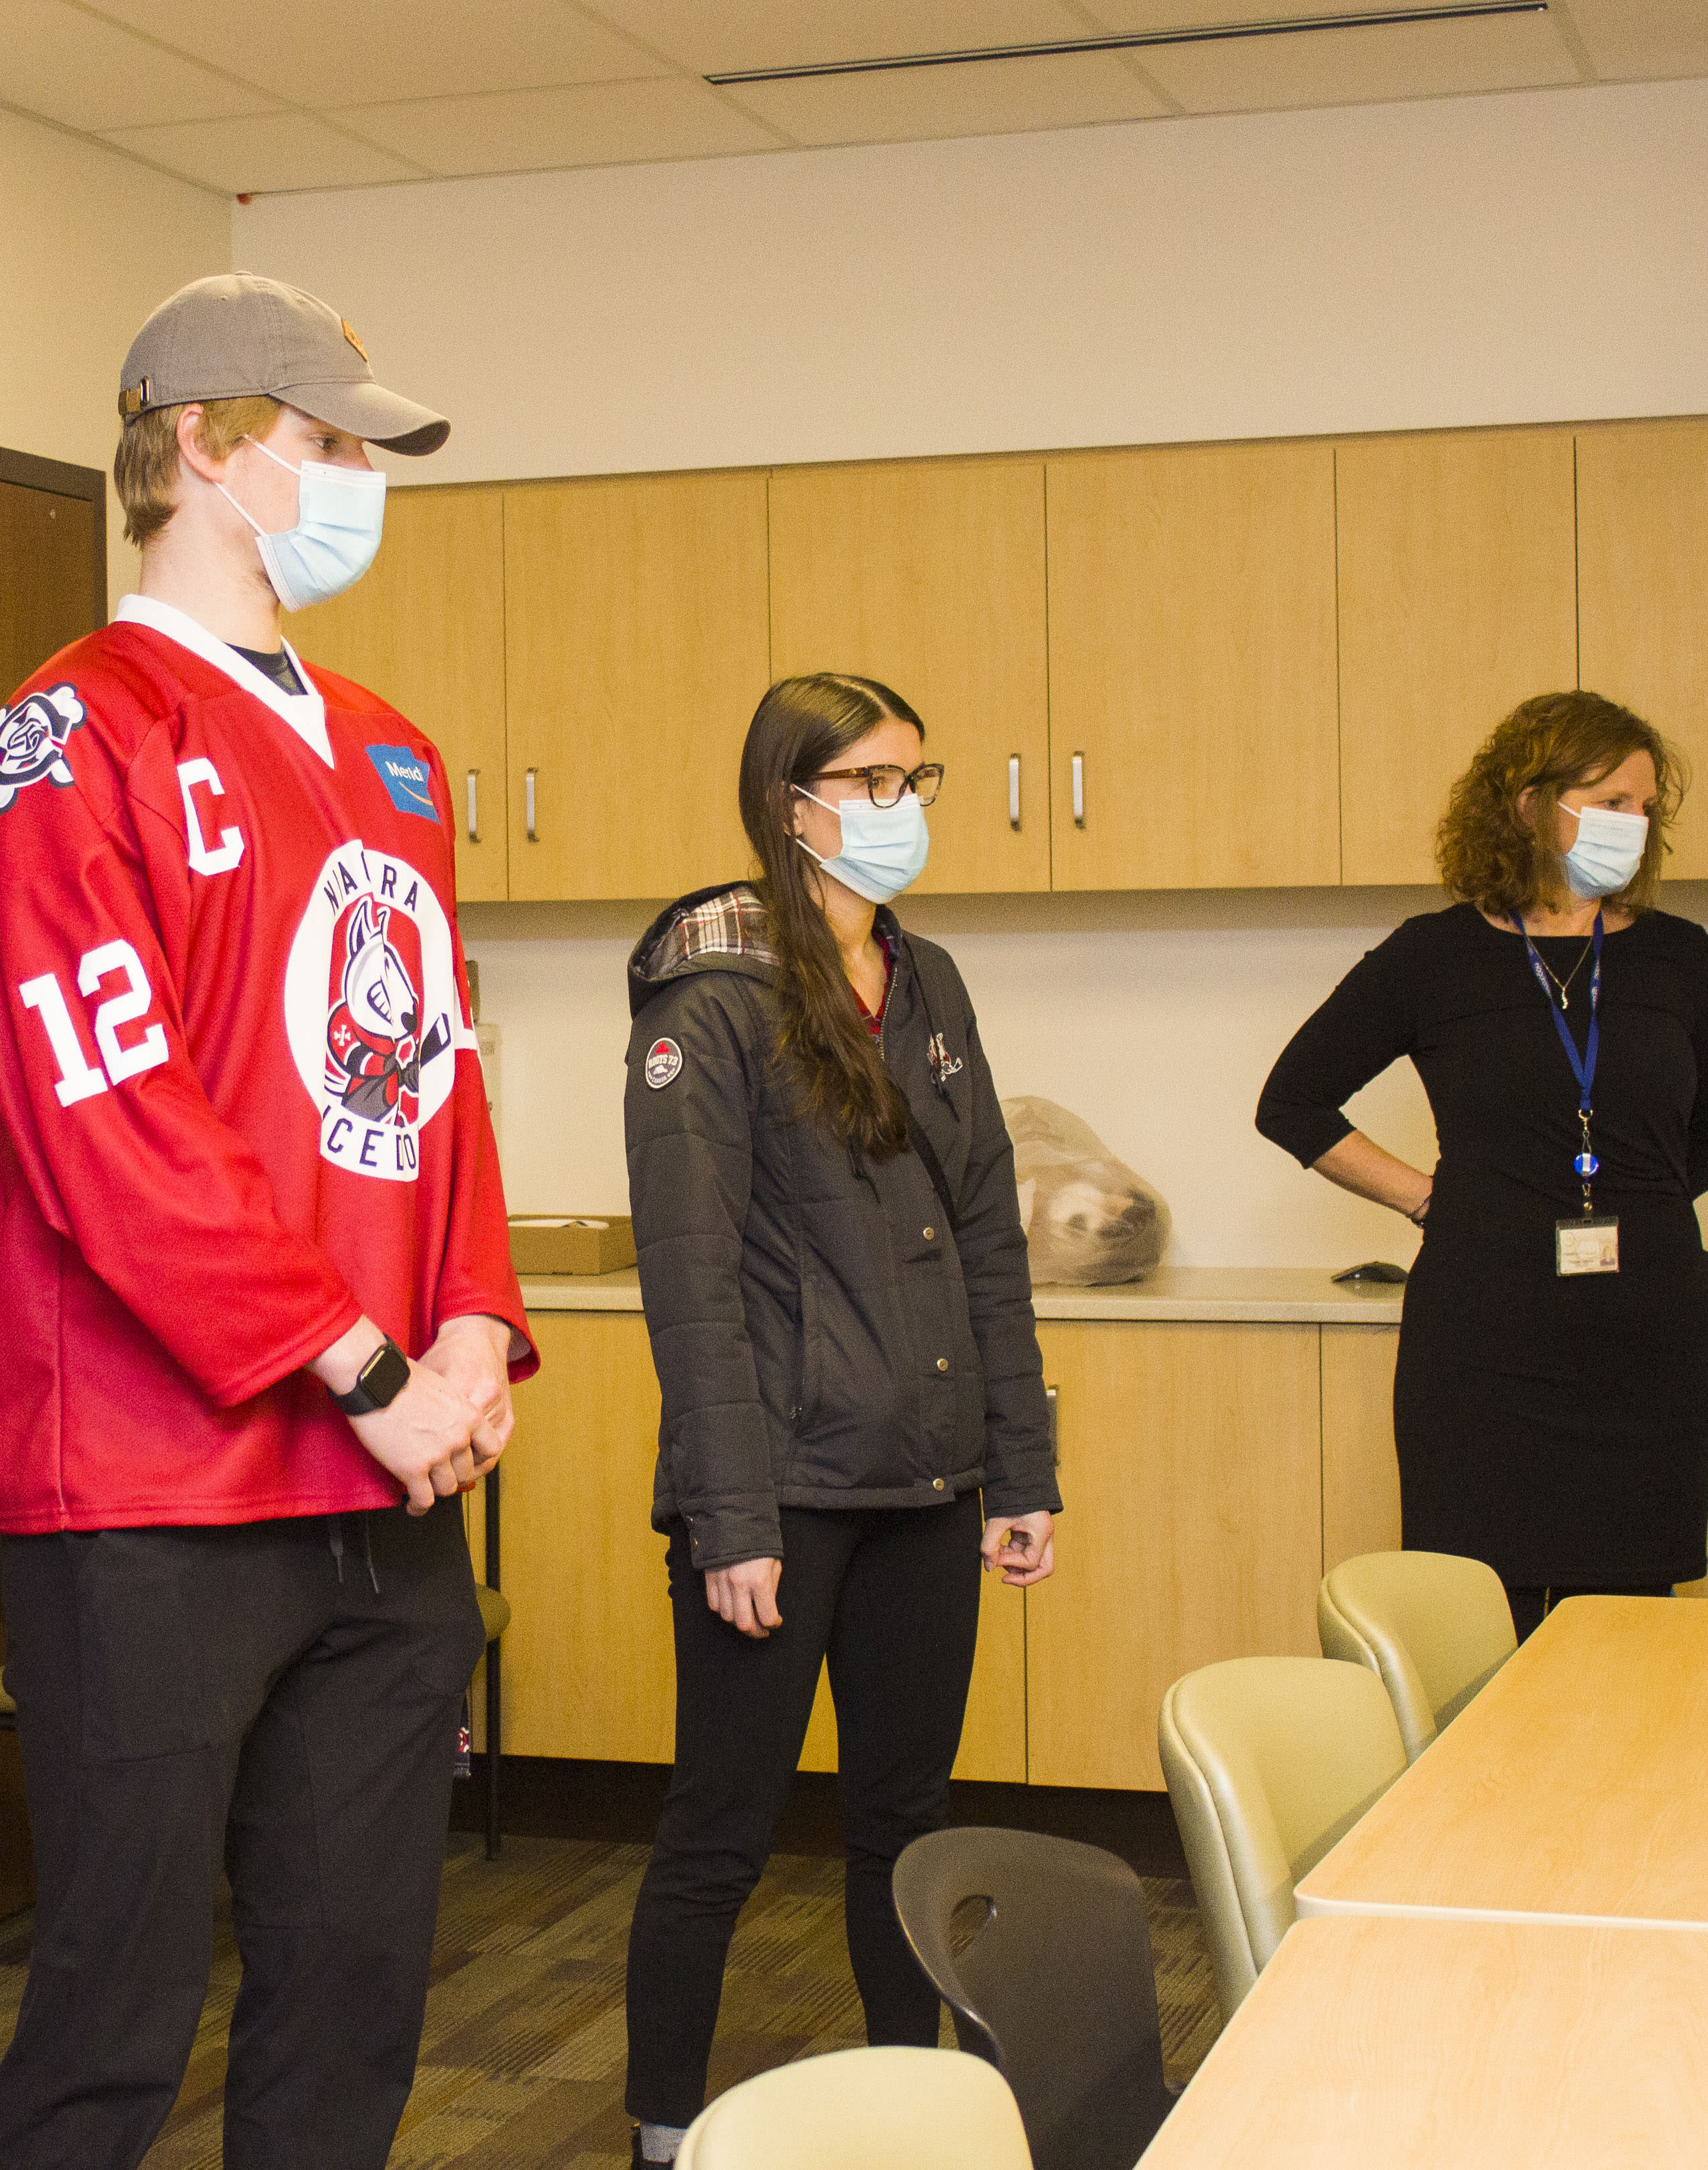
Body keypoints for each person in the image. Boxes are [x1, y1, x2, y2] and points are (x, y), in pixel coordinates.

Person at [0, 272, 532, 2170]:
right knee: (116, 2006)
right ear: (197, 445)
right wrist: (355, 1356)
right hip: (152, 1485)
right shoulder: (69, 735)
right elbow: (107, 1120)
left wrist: (461, 1324)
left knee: (356, 1979)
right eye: (329, 441)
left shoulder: (388, 748)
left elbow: (429, 1066)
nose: (360, 478)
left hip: (379, 1478)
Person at [618, 674, 1062, 2165]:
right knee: (717, 1837)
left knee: (906, 1824)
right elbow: (690, 1280)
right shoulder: (716, 992)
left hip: (926, 1484)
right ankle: (667, 2130)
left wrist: (1021, 1464)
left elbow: (987, 1233)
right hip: (779, 1497)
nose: (900, 811)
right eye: (871, 782)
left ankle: (914, 2111)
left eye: (914, 782)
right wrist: (732, 1518)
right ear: (788, 802)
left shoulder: (927, 983)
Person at [1257, 690, 1708, 1643]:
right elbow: (1292, 1102)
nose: (1633, 828)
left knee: (1630, 1637)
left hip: (1646, 1349)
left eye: (1646, 809)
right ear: (1528, 805)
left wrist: (1627, 1211)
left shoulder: (1681, 960)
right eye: (1610, 801)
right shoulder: (1433, 957)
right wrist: (1429, 1199)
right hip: (1483, 1348)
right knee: (1482, 1628)